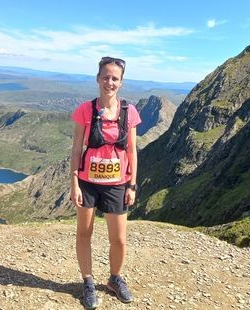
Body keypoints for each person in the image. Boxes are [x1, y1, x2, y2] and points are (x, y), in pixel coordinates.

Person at [70, 56, 141, 309]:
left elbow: (132, 150)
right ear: (98, 78)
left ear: (121, 83)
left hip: (117, 183)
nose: (109, 82)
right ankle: (88, 282)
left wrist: (132, 185)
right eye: (106, 77)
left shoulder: (128, 112)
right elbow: (77, 149)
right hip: (88, 182)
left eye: (115, 78)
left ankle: (114, 279)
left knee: (119, 239)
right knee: (84, 233)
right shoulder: (85, 110)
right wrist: (74, 183)